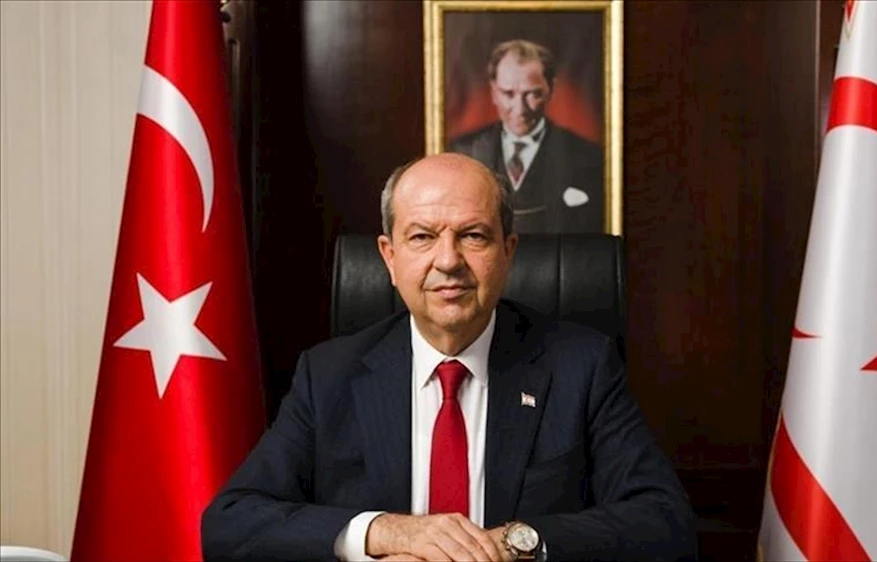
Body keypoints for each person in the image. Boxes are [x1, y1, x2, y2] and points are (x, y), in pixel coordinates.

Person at [201, 153, 696, 561]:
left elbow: (664, 522)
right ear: (389, 256)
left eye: (473, 235)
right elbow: (230, 524)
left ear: (508, 251)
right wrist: (385, 532)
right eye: (422, 236)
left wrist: (510, 545)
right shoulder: (328, 375)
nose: (448, 260)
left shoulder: (581, 366)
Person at [449, 40, 605, 234]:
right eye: (508, 94)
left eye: (532, 94)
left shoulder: (586, 157)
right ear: (494, 91)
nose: (520, 109)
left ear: (550, 90)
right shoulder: (461, 152)